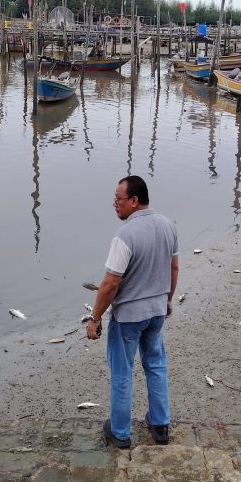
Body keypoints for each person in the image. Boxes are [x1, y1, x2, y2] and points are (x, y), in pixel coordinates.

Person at [86, 175, 179, 449]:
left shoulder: (125, 235)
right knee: (156, 364)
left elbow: (111, 283)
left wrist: (95, 318)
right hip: (156, 311)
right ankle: (160, 424)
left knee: (122, 372)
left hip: (128, 317)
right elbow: (173, 268)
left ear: (134, 201)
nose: (115, 204)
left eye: (119, 199)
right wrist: (168, 298)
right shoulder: (167, 226)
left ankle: (120, 432)